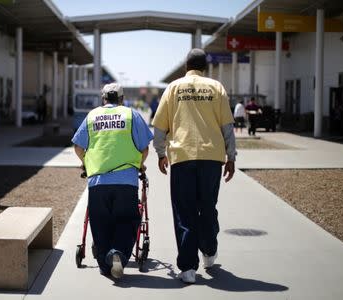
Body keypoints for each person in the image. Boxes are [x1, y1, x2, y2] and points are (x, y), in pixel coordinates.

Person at [152, 48, 236, 284]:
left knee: (184, 210)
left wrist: (160, 153)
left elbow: (159, 128)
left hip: (182, 157)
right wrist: (231, 157)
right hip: (212, 158)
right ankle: (209, 251)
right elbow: (227, 127)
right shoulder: (216, 87)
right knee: (208, 206)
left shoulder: (173, 88)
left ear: (185, 66)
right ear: (205, 67)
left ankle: (188, 269)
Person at [72, 82, 153, 279]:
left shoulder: (92, 116)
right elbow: (144, 148)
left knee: (100, 223)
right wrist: (139, 165)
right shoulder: (131, 115)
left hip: (98, 182)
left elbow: (78, 147)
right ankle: (118, 253)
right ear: (122, 99)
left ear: (103, 98)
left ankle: (105, 264)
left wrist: (86, 165)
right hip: (126, 182)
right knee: (127, 220)